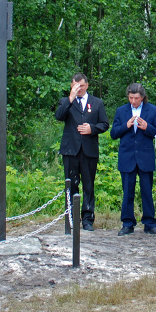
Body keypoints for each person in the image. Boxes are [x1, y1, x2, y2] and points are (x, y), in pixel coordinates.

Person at [55, 73, 109, 231]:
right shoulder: (66, 102)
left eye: (82, 86)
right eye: (76, 86)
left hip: (89, 150)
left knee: (88, 185)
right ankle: (71, 218)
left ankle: (88, 218)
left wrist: (92, 129)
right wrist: (70, 99)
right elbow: (59, 116)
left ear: (87, 86)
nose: (79, 89)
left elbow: (105, 124)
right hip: (71, 150)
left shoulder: (97, 103)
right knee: (71, 185)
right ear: (72, 86)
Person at [110, 82, 156, 236]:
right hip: (127, 157)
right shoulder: (121, 111)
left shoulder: (153, 110)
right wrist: (125, 126)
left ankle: (149, 223)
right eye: (131, 97)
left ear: (143, 98)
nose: (133, 101)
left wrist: (148, 128)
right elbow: (114, 134)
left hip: (145, 157)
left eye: (136, 98)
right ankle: (127, 223)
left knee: (147, 191)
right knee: (127, 192)